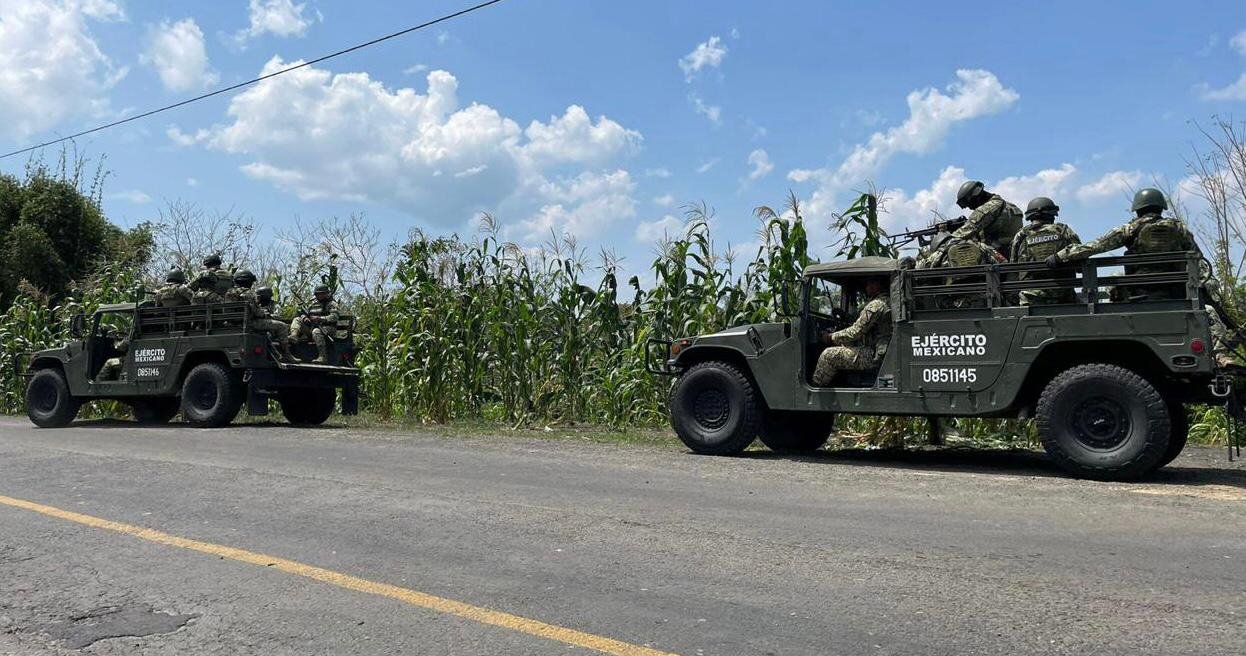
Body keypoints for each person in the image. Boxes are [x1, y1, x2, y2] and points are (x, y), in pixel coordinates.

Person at [1046, 188, 1198, 301]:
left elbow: (1096, 246)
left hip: (1140, 291)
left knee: (1114, 278)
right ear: (1161, 207)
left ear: (1137, 210)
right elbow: (1197, 258)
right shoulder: (1180, 229)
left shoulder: (1130, 229)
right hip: (1176, 291)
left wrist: (1061, 255)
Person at [812, 277, 891, 386]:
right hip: (879, 349)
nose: (867, 287)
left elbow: (856, 332)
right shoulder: (885, 301)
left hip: (874, 354)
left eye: (869, 284)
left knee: (828, 355)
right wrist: (845, 316)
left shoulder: (877, 304)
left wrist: (830, 337)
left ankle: (814, 391)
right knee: (844, 344)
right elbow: (863, 324)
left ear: (876, 285)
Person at [1010, 197, 1081, 305]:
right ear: (1052, 214)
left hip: (1030, 299)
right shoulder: (1063, 230)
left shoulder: (1021, 235)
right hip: (1064, 296)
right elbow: (1080, 262)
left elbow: (1013, 266)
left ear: (1030, 216)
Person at [228, 270, 294, 361]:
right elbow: (257, 312)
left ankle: (274, 352)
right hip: (249, 323)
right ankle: (287, 355)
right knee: (282, 326)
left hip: (232, 323)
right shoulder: (249, 293)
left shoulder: (229, 293)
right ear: (249, 282)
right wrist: (265, 314)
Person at [951, 180, 1024, 256]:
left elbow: (961, 234)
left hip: (999, 258)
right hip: (1016, 255)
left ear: (976, 196)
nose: (970, 208)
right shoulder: (1008, 206)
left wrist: (944, 238)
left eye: (969, 204)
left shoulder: (988, 208)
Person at [290, 284, 340, 364]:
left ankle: (322, 357)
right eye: (318, 294)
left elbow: (335, 316)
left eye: (322, 293)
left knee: (316, 331)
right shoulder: (312, 304)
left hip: (327, 328)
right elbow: (304, 313)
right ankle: (294, 336)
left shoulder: (332, 304)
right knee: (297, 319)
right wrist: (305, 318)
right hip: (312, 327)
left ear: (327, 294)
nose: (320, 295)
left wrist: (321, 319)